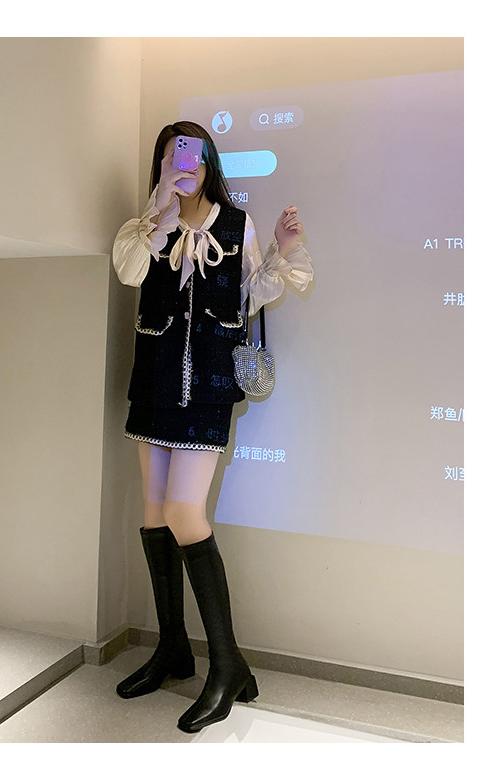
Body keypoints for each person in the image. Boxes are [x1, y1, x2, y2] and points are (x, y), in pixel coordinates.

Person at [111, 120, 314, 734]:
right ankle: (173, 649)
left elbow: (247, 295)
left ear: (209, 162)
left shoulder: (235, 225)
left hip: (206, 389)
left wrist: (281, 249)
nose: (185, 166)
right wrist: (160, 214)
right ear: (161, 165)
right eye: (173, 157)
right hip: (154, 382)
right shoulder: (145, 228)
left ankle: (226, 664)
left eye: (193, 156)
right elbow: (129, 273)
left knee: (183, 512)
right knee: (154, 515)